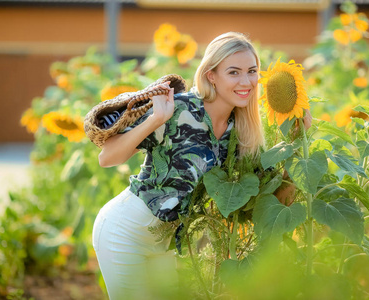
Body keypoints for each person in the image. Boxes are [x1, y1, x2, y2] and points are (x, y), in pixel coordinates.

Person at [92, 31, 298, 299]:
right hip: (124, 231)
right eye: (233, 72)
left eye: (252, 71)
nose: (246, 81)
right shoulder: (179, 109)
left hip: (162, 243)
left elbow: (277, 201)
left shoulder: (242, 133)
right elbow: (107, 158)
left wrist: (296, 146)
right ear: (211, 75)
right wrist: (156, 119)